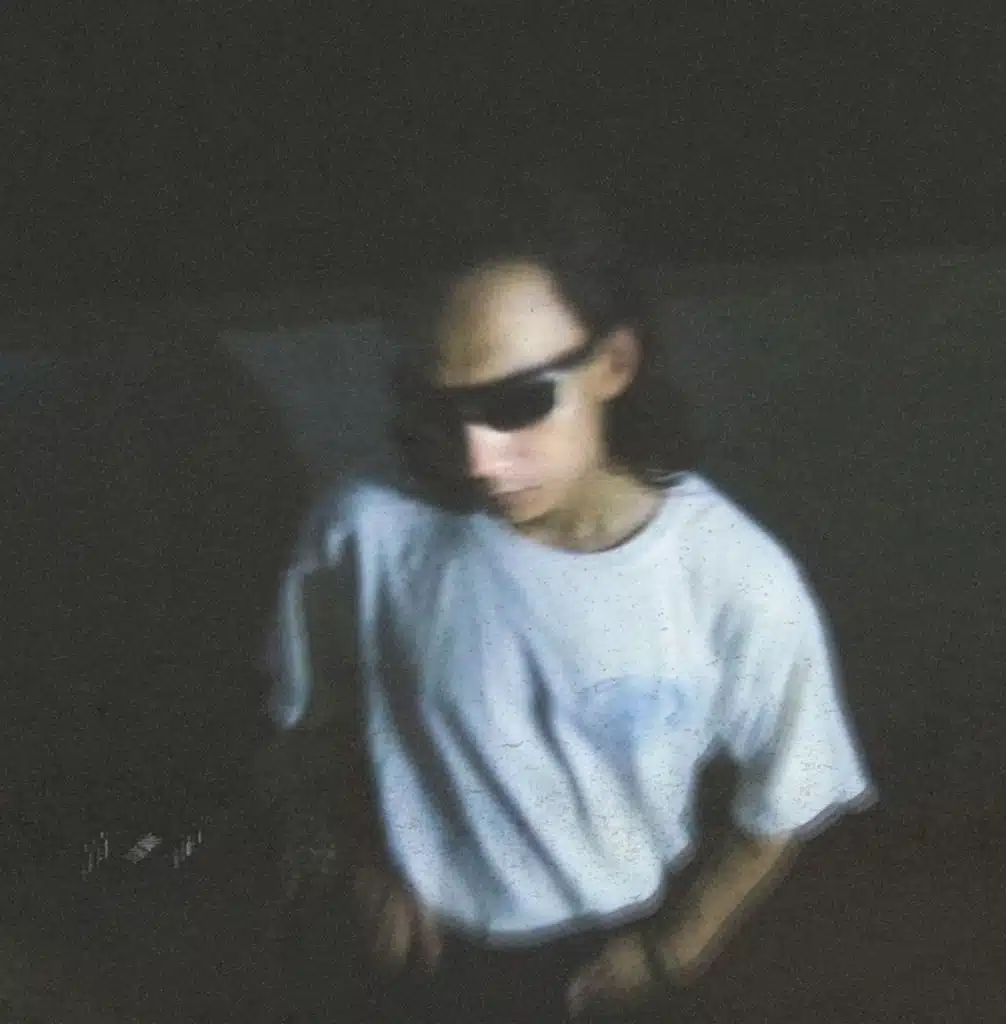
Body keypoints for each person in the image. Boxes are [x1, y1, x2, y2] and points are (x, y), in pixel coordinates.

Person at [258, 168, 877, 1023]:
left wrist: (670, 954)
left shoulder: (732, 575)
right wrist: (354, 862)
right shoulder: (365, 531)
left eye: (518, 402)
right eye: (443, 409)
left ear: (615, 362)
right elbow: (309, 729)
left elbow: (789, 793)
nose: (478, 459)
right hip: (417, 952)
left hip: (607, 949)